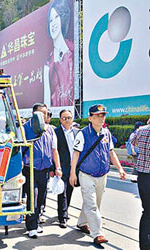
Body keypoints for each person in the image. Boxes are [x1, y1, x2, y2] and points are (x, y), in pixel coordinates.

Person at [69, 104, 127, 245]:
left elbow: (111, 152)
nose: (102, 118)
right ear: (90, 118)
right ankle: (98, 233)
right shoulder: (83, 133)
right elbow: (76, 154)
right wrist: (72, 173)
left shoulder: (106, 133)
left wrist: (120, 169)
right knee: (92, 205)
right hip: (86, 174)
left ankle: (83, 222)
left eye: (103, 115)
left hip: (102, 174)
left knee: (95, 203)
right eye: (98, 115)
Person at [22, 103, 62, 238]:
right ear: (34, 114)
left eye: (46, 113)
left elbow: (54, 150)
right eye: (41, 113)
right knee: (33, 197)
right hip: (30, 169)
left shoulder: (50, 129)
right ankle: (31, 226)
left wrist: (57, 167)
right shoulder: (25, 128)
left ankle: (36, 221)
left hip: (44, 170)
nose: (44, 116)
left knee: (41, 198)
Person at [43, 0, 74, 107]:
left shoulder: (73, 51)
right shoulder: (48, 64)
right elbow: (46, 102)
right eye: (50, 20)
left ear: (63, 19)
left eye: (57, 17)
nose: (53, 24)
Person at [54, 109, 78, 228]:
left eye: (68, 118)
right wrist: (54, 167)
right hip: (61, 166)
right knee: (62, 192)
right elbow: (54, 150)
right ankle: (63, 217)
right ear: (60, 120)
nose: (67, 120)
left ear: (72, 118)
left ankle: (65, 209)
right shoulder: (56, 132)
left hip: (73, 167)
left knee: (69, 190)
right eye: (64, 118)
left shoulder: (77, 132)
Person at [130, 123, 150, 250]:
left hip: (143, 176)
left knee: (147, 212)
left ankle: (144, 246)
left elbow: (133, 141)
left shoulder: (141, 130)